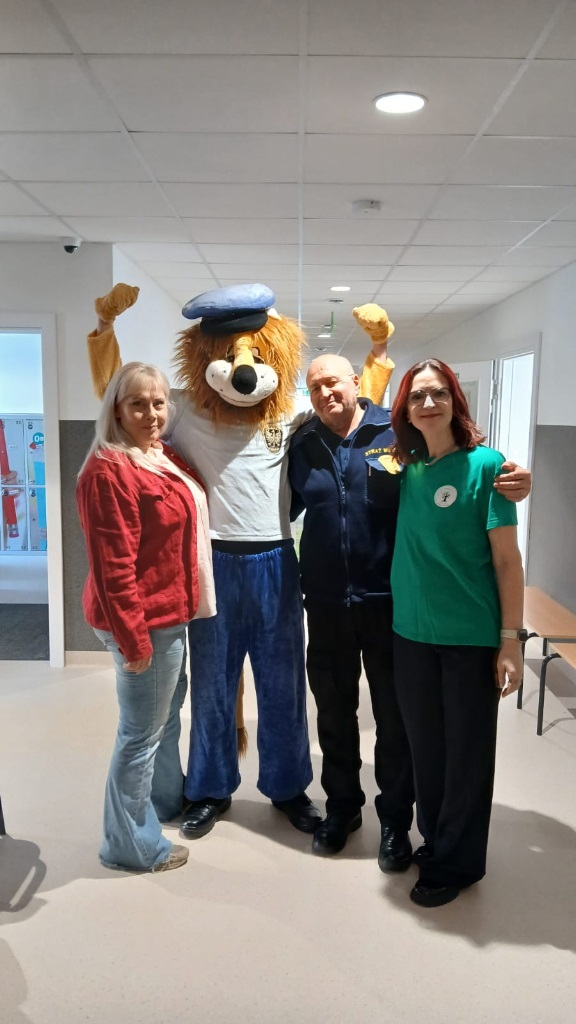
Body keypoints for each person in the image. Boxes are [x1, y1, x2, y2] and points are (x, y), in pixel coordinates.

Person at [289, 353, 529, 871]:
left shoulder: (394, 437)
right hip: (328, 602)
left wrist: (515, 479)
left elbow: (467, 464)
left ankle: (395, 821)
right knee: (333, 713)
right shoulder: (303, 444)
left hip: (390, 605)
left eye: (334, 382)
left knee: (396, 722)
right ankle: (343, 808)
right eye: (315, 387)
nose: (326, 393)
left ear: (357, 382)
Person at [390, 358, 525, 908]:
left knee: (466, 753)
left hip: (469, 636)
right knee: (427, 749)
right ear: (405, 409)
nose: (429, 404)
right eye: (417, 396)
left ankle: (458, 863)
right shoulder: (409, 468)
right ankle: (436, 840)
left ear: (455, 401)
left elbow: (508, 562)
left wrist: (511, 640)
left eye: (439, 393)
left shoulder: (488, 467)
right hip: (410, 633)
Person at [77, 361, 216, 873]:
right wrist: (134, 640)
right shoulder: (108, 470)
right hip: (143, 622)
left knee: (164, 717)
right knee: (140, 734)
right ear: (116, 410)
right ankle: (131, 846)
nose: (152, 413)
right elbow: (114, 568)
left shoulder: (158, 455)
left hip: (169, 614)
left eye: (159, 403)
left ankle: (164, 803)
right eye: (138, 404)